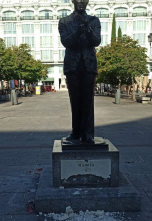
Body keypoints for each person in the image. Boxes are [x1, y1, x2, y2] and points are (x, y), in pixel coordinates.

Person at [58, 0, 101, 143]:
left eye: (84, 0)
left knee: (88, 100)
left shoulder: (94, 21)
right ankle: (76, 132)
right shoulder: (64, 21)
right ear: (73, 1)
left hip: (89, 64)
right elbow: (66, 42)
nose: (81, 2)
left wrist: (88, 31)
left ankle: (88, 134)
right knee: (75, 100)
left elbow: (96, 41)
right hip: (72, 65)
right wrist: (78, 31)